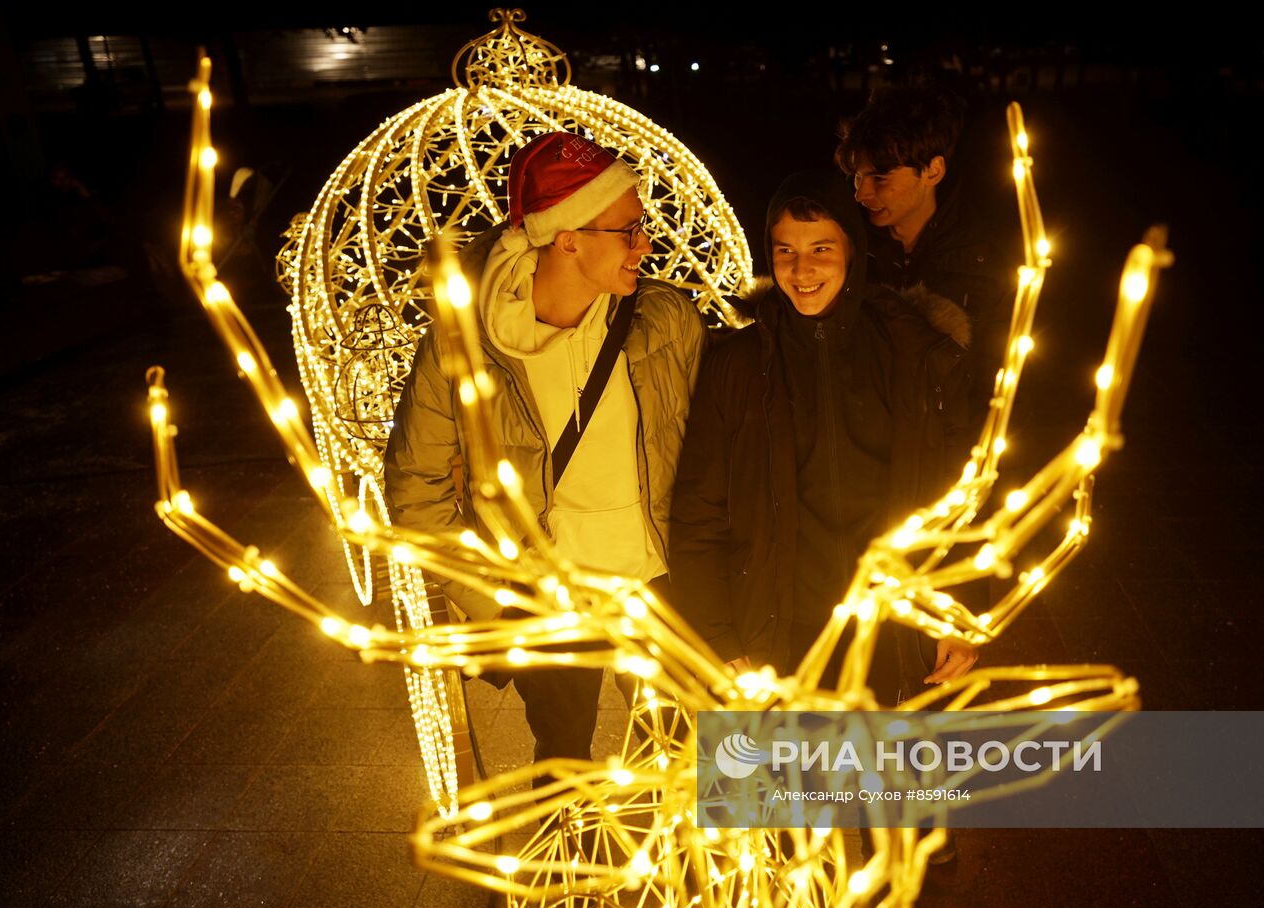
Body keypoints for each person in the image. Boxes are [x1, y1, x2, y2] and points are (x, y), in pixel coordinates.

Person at [384, 131, 706, 771]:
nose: (646, 244)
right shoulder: (463, 341)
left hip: (660, 582)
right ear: (568, 238)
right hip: (547, 603)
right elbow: (414, 489)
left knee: (682, 754)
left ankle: (676, 864)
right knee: (565, 761)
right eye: (629, 230)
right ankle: (576, 861)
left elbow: (717, 449)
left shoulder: (665, 319)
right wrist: (497, 605)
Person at [668, 171, 978, 705]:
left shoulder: (911, 354)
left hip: (890, 635)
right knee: (772, 787)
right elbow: (698, 512)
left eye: (820, 249)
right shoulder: (738, 366)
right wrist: (715, 636)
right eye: (784, 250)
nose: (801, 269)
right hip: (773, 635)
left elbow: (961, 494)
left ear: (852, 253)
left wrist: (959, 609)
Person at [835, 84, 1015, 414]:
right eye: (857, 178)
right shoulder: (849, 251)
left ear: (933, 171)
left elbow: (1002, 380)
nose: (861, 194)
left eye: (879, 178)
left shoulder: (984, 261)